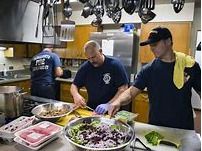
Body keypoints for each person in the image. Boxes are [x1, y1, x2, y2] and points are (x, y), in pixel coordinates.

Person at [108, 27, 201, 130]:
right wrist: (118, 101)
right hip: (157, 126)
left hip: (184, 126)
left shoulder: (189, 66)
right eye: (150, 45)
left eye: (155, 44)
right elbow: (131, 92)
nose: (151, 48)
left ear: (168, 41)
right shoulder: (148, 69)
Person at [70, 40, 129, 114]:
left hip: (112, 110)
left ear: (100, 51)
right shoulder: (85, 67)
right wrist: (76, 95)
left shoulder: (115, 65)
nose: (91, 61)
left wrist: (108, 105)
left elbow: (123, 88)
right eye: (88, 58)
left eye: (93, 57)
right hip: (92, 110)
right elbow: (74, 85)